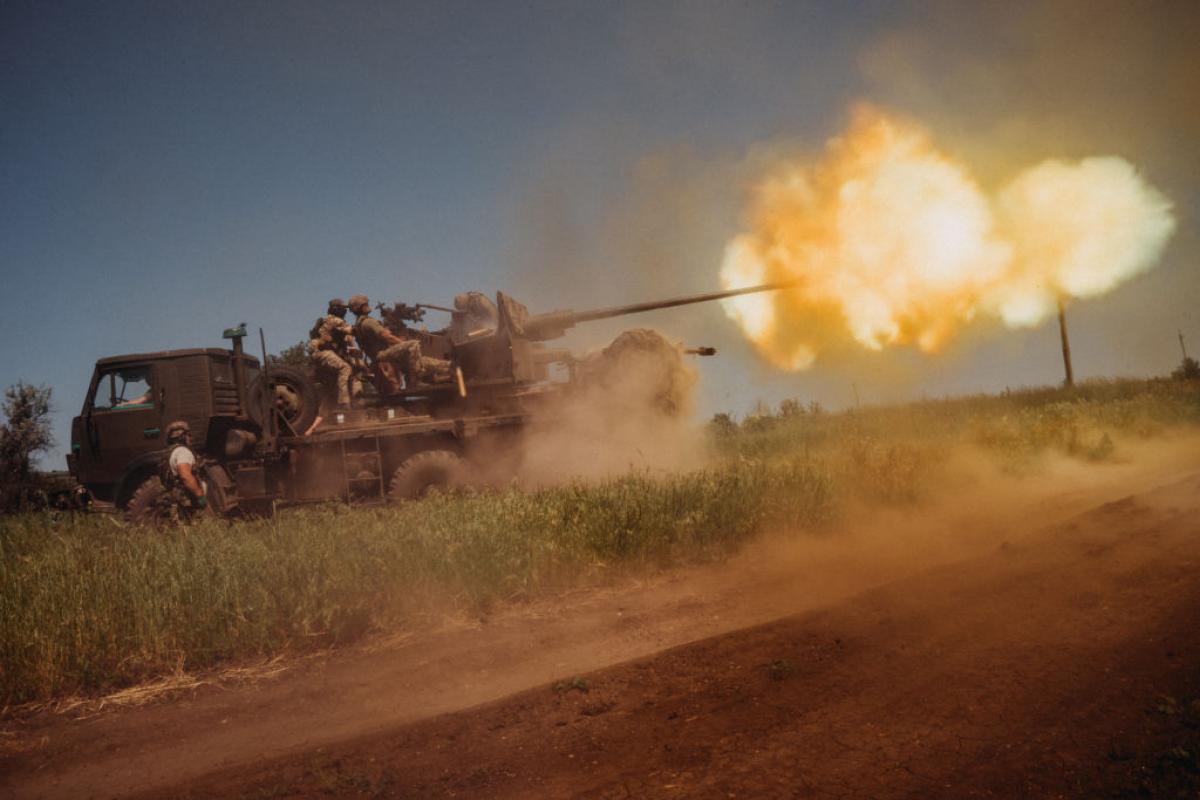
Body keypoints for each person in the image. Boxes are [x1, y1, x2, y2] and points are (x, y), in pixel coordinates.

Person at [348, 294, 449, 392]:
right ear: (361, 307)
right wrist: (402, 344)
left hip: (378, 354)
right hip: (381, 354)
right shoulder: (368, 322)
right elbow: (386, 336)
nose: (368, 306)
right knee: (413, 345)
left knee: (422, 360)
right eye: (365, 304)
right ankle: (414, 381)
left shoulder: (359, 324)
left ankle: (435, 374)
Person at [308, 298, 362, 411]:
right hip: (323, 351)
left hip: (322, 352)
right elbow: (352, 330)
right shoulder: (336, 321)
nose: (346, 311)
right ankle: (343, 403)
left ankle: (356, 400)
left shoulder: (327, 320)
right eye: (343, 308)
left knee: (354, 369)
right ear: (337, 309)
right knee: (345, 368)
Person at [160, 420, 207, 520]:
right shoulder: (183, 452)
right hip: (185, 500)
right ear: (182, 437)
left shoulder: (169, 453)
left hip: (173, 498)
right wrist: (200, 495)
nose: (191, 438)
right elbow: (185, 476)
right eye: (188, 435)